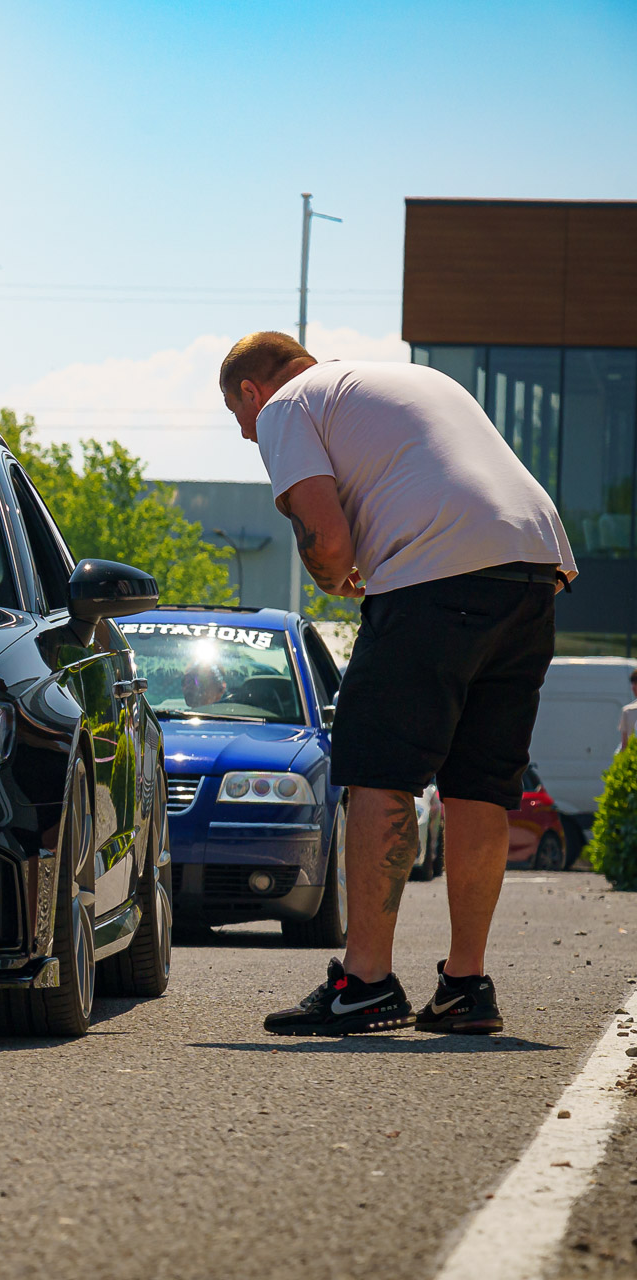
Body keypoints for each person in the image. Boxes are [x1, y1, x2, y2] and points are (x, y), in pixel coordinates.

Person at [218, 332, 577, 1036]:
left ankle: (366, 984)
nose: (246, 433)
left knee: (378, 774)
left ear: (252, 390)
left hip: (439, 574)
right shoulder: (404, 381)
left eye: (238, 416)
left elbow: (327, 542)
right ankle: (465, 987)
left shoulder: (288, 404)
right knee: (478, 786)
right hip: (534, 571)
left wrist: (336, 577)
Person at [621, 669, 637, 751]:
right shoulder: (628, 711)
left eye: (636, 683)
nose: (633, 687)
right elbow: (624, 744)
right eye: (633, 683)